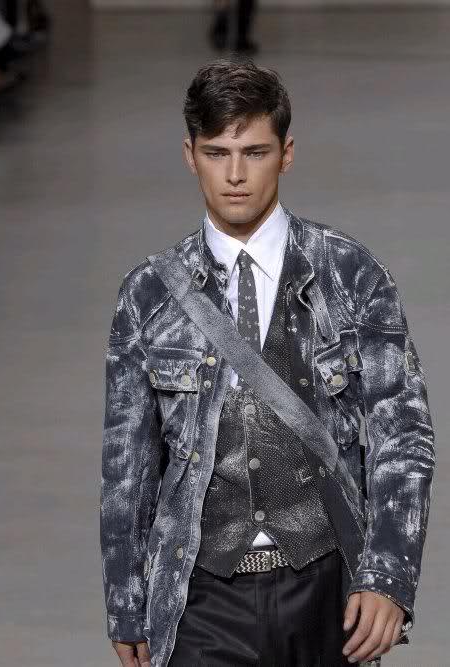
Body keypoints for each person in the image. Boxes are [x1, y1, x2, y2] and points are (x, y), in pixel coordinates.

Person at [100, 57, 435, 667]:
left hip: (328, 589)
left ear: (286, 154)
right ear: (190, 156)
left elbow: (403, 432)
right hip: (200, 594)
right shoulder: (149, 295)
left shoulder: (350, 274)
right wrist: (126, 601)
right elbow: (128, 465)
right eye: (216, 153)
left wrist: (389, 576)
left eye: (254, 152)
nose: (235, 175)